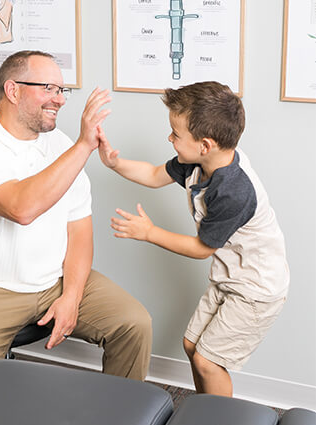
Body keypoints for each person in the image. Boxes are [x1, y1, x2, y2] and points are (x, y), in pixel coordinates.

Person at [0, 50, 152, 381]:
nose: (60, 100)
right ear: (13, 90)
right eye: (49, 88)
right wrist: (83, 146)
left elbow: (79, 231)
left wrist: (72, 295)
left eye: (61, 90)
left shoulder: (61, 145)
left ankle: (119, 410)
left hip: (55, 281)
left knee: (134, 323)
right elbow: (21, 208)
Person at [97, 81, 289, 395]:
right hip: (230, 277)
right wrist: (114, 163)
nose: (169, 138)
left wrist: (150, 233)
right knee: (192, 347)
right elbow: (154, 174)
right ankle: (205, 409)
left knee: (208, 362)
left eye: (175, 134)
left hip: (256, 288)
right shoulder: (198, 164)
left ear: (205, 144)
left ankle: (219, 418)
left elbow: (202, 249)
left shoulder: (234, 191)